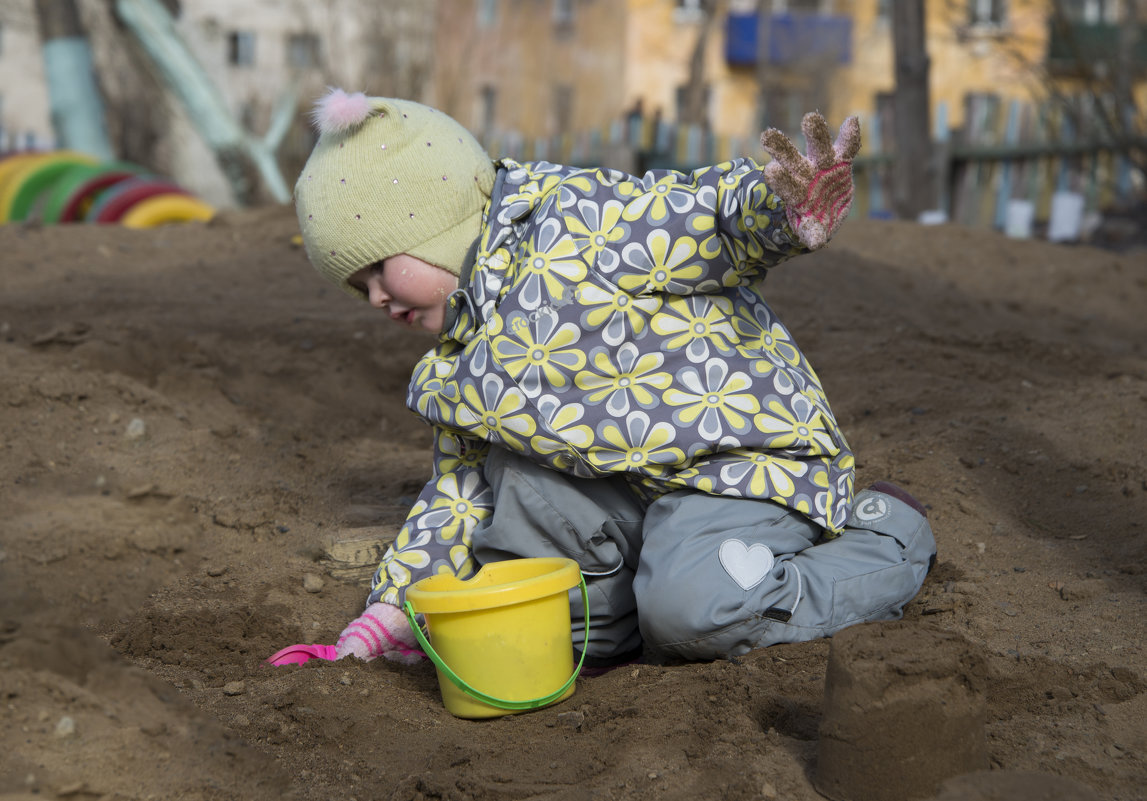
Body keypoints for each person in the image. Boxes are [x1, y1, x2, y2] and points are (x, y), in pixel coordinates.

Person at [287, 88, 936, 668]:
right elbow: (460, 493)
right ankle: (632, 613)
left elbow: (707, 219)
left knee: (692, 614)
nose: (374, 298)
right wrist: (395, 609)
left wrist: (778, 210)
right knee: (518, 516)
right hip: (633, 493)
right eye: (356, 286)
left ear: (432, 219)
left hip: (737, 466)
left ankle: (884, 536)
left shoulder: (581, 225)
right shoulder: (458, 360)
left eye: (378, 269)